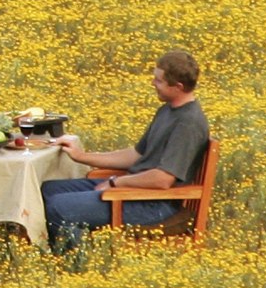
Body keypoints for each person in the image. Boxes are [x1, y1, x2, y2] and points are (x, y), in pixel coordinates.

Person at [43, 49, 209, 248]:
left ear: (178, 87)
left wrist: (115, 183)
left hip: (152, 203)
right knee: (47, 190)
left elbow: (163, 179)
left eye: (158, 80)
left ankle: (75, 263)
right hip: (134, 189)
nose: (152, 84)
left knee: (58, 207)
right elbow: (136, 155)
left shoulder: (188, 124)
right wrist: (81, 156)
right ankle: (72, 250)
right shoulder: (168, 110)